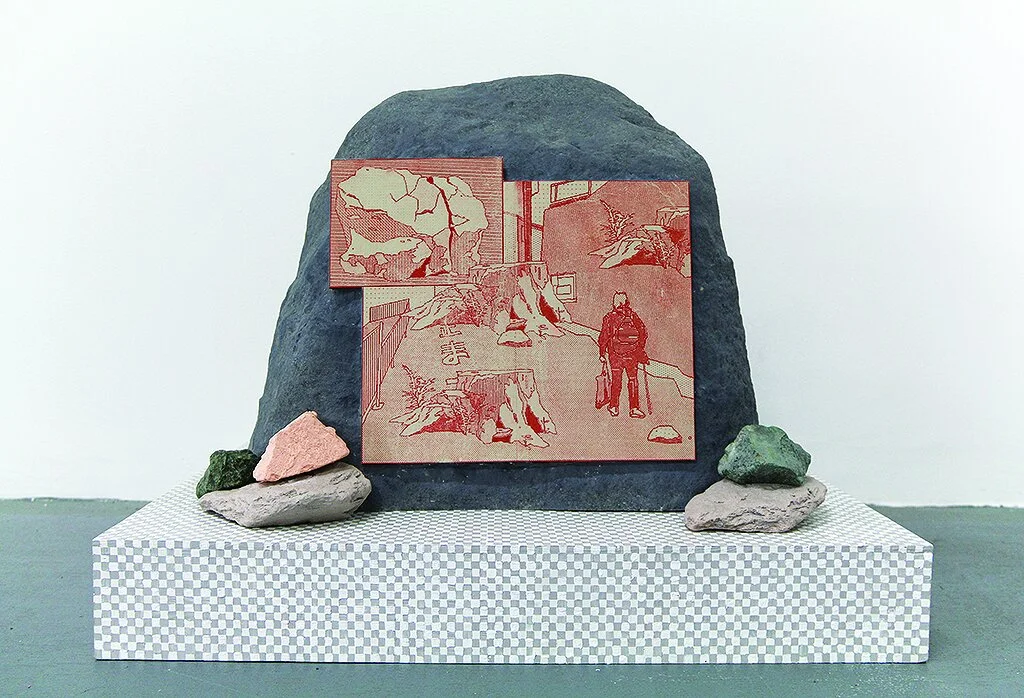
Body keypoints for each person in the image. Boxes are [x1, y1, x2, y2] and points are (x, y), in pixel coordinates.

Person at [598, 291, 649, 418]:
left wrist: (602, 353)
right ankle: (634, 408)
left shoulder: (609, 317)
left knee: (616, 381)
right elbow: (643, 331)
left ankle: (614, 407)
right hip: (632, 355)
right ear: (626, 302)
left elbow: (604, 336)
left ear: (615, 303)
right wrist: (639, 347)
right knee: (633, 380)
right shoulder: (632, 315)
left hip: (615, 355)